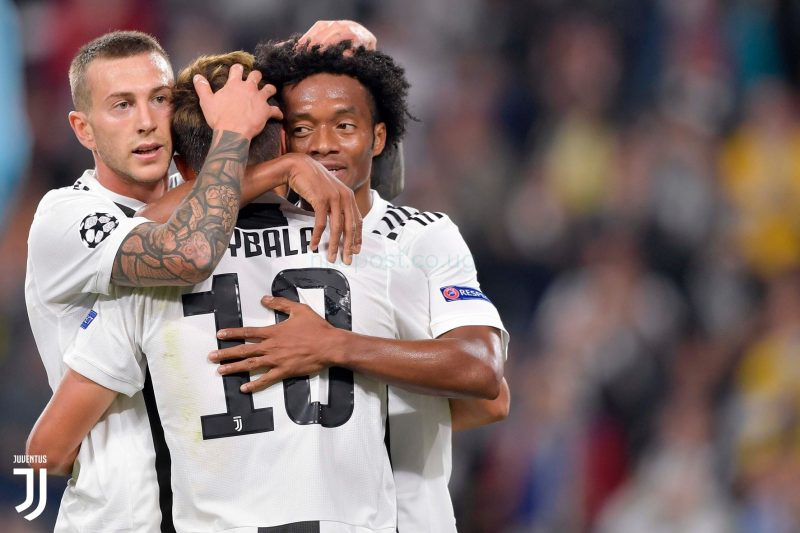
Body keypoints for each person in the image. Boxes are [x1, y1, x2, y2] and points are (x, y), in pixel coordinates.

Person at [31, 51, 435, 532]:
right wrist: (282, 162)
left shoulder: (145, 287)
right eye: (122, 104)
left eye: (158, 99)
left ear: (182, 158)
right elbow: (189, 247)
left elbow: (41, 453)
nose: (145, 122)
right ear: (83, 128)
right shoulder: (66, 217)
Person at [206, 38, 511, 532]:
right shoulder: (245, 236)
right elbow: (162, 221)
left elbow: (485, 377)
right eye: (302, 129)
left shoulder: (423, 236)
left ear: (378, 137)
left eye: (344, 126)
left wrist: (336, 348)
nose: (323, 144)